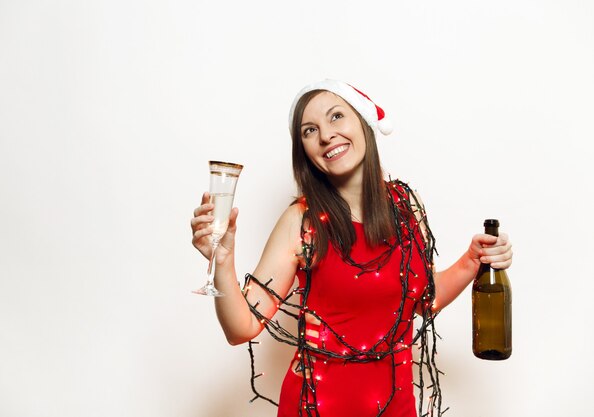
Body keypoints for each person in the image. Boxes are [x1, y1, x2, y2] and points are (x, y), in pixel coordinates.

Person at [190, 79, 513, 417]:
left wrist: (472, 261)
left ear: (364, 123)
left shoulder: (406, 205)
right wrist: (221, 261)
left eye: (336, 117)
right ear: (305, 153)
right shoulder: (302, 221)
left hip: (395, 406)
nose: (326, 135)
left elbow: (423, 300)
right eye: (309, 130)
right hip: (316, 407)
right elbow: (241, 329)